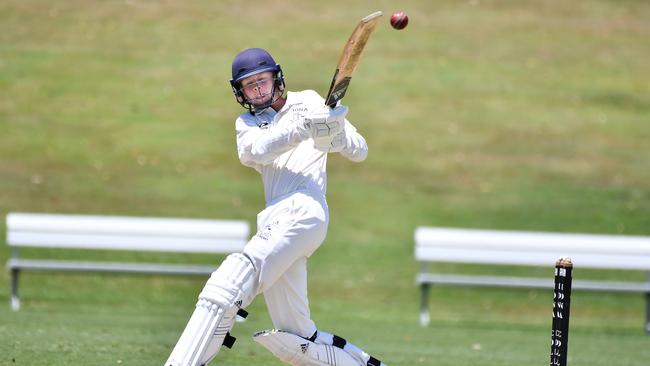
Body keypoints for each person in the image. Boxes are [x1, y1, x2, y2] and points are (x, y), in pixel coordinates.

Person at [164, 48, 385, 366]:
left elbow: (359, 150)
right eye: (248, 85)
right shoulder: (247, 123)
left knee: (229, 283)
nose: (256, 89)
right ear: (240, 92)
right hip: (275, 218)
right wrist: (302, 129)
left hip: (305, 210)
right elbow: (256, 151)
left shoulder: (309, 101)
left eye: (261, 81)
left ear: (276, 78)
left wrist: (335, 136)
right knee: (296, 338)